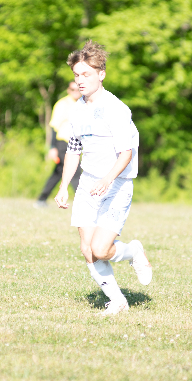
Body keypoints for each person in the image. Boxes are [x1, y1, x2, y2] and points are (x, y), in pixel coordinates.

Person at [54, 40, 152, 316]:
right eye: (76, 75)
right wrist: (64, 187)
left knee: (100, 248)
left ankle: (133, 251)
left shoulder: (115, 108)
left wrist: (108, 179)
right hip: (88, 182)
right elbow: (74, 149)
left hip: (116, 183)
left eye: (86, 74)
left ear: (101, 74)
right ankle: (117, 301)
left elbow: (126, 153)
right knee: (87, 250)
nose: (80, 80)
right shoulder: (76, 109)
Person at [34, 82, 82, 208]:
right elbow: (54, 127)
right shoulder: (62, 104)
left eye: (78, 88)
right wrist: (52, 147)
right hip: (63, 143)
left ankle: (41, 199)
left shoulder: (82, 104)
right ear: (68, 90)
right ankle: (83, 202)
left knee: (59, 172)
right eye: (72, 89)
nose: (75, 91)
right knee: (75, 171)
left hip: (75, 144)